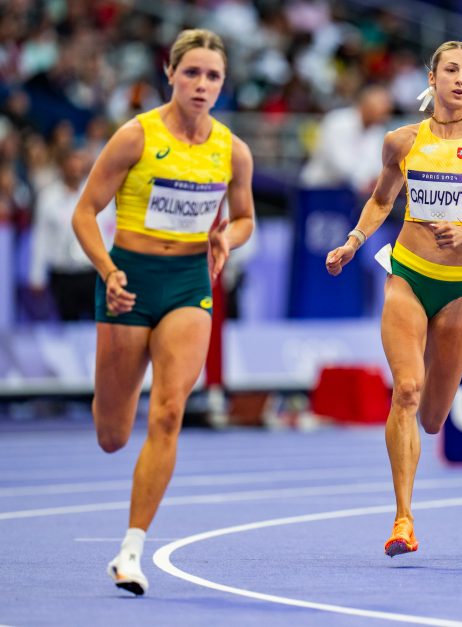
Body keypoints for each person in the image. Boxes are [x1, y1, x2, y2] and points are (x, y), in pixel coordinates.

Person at [70, 29, 254, 595]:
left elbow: (245, 217)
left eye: (213, 76)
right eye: (192, 73)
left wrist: (228, 237)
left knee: (170, 411)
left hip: (188, 284)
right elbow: (84, 213)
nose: (202, 85)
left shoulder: (232, 149)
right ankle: (110, 402)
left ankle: (131, 550)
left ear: (224, 84)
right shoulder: (136, 136)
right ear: (171, 74)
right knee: (111, 433)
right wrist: (108, 272)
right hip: (129, 281)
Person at [325, 40, 462, 557]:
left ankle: (411, 490)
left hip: (461, 288)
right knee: (407, 392)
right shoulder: (401, 141)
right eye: (452, 70)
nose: (461, 80)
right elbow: (380, 199)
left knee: (433, 416)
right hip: (408, 275)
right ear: (432, 79)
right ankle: (403, 520)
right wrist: (352, 242)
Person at [29, 148, 112, 321]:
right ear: (62, 167)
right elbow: (41, 238)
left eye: (78, 165)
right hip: (62, 273)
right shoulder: (48, 198)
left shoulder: (97, 194)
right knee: (66, 323)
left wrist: (111, 270)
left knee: (97, 323)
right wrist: (36, 275)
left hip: (91, 271)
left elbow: (108, 232)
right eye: (70, 165)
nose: (75, 169)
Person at [299, 84, 393, 195]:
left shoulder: (377, 130)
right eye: (382, 110)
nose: (386, 116)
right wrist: (365, 181)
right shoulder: (337, 122)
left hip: (352, 193)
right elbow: (338, 164)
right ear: (366, 105)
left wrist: (375, 180)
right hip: (319, 188)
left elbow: (377, 163)